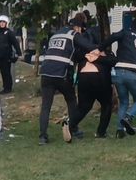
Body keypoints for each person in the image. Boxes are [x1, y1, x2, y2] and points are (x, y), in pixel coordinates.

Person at [38, 15, 95, 145]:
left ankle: (42, 137)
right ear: (77, 27)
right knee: (71, 100)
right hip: (62, 74)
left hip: (46, 73)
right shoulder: (73, 34)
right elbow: (88, 46)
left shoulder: (55, 35)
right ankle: (74, 128)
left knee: (46, 106)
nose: (81, 32)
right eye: (81, 29)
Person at [99, 18, 136, 138]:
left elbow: (113, 37)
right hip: (135, 73)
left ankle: (120, 130)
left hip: (118, 72)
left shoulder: (125, 33)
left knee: (124, 102)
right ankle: (128, 117)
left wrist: (100, 48)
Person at [69, 48, 117, 139]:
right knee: (106, 104)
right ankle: (101, 132)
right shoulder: (106, 52)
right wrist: (100, 58)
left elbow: (74, 58)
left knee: (83, 107)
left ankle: (70, 124)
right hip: (101, 78)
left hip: (83, 77)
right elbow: (114, 61)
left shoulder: (82, 52)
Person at [0, 15, 22, 94]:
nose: (2, 24)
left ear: (6, 23)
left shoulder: (9, 33)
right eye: (0, 22)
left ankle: (8, 88)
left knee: (7, 72)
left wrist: (19, 53)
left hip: (7, 55)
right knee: (2, 72)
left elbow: (15, 43)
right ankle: (5, 87)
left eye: (3, 22)